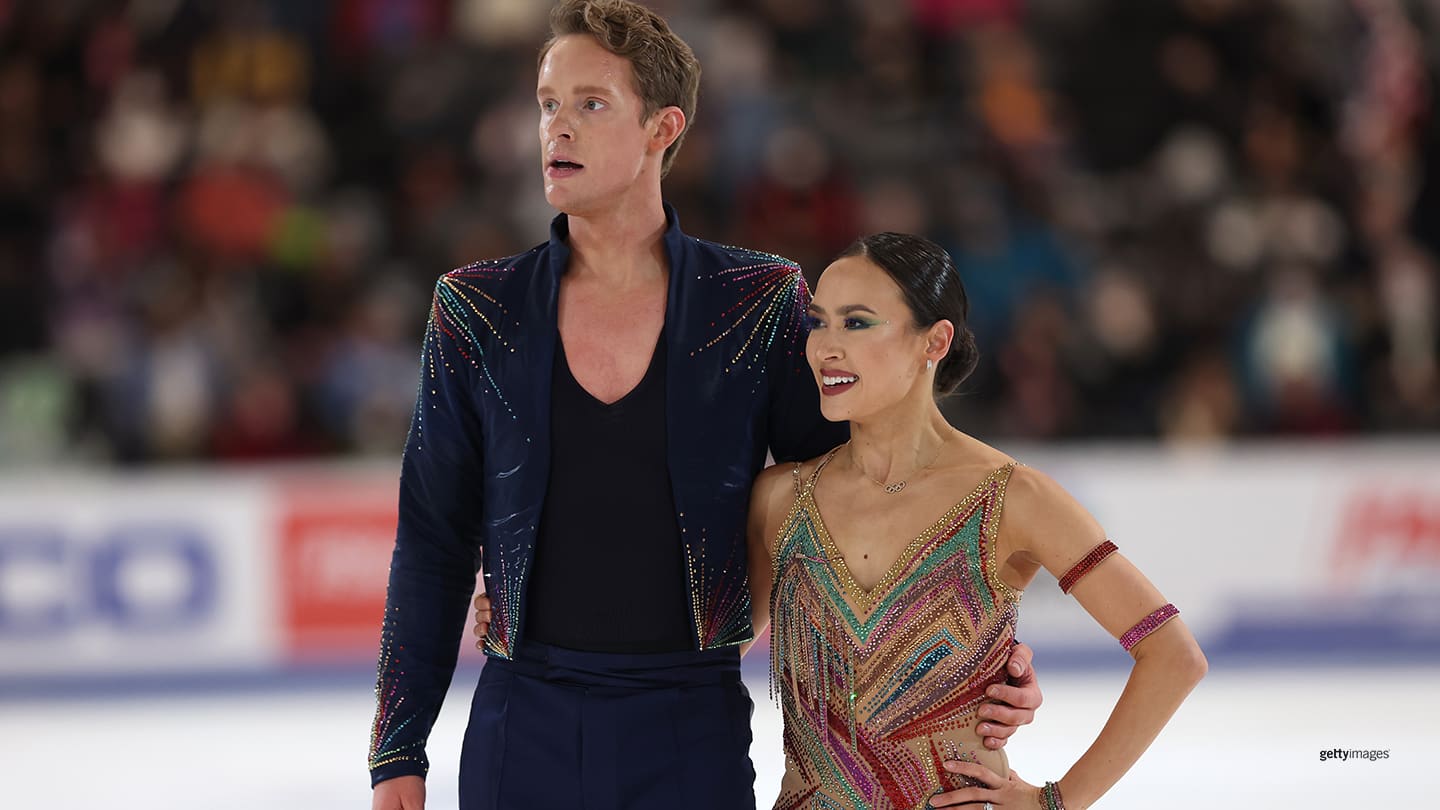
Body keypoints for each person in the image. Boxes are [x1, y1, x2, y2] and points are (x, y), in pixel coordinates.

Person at [372, 3, 1041, 809]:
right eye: (549, 103)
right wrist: (397, 753)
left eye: (591, 103)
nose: (558, 129)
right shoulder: (476, 309)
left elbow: (851, 497)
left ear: (663, 127)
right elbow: (431, 544)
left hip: (690, 721)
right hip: (524, 719)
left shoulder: (756, 302)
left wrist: (969, 649)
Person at [741, 231, 1207, 809]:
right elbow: (708, 667)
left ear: (933, 342)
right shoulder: (780, 499)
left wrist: (1054, 803)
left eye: (856, 323)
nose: (824, 348)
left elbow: (1173, 655)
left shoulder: (1015, 498)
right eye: (818, 323)